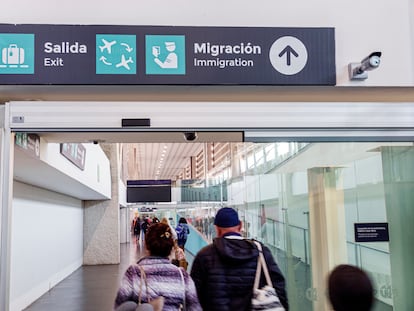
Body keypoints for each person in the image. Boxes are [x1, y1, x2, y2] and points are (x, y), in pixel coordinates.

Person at [190, 207, 289, 311]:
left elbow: (193, 296)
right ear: (240, 225)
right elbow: (279, 288)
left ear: (217, 229)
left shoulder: (204, 255)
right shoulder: (261, 252)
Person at [114, 222, 202, 311]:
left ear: (146, 245)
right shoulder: (182, 276)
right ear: (171, 247)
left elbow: (119, 305)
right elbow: (195, 307)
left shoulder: (133, 272)